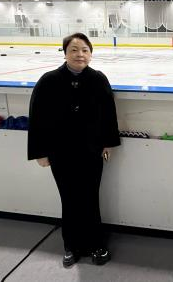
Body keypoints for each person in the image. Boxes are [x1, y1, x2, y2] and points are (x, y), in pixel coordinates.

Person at [28, 33, 120, 268]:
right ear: (65, 53)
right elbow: (37, 117)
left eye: (85, 50)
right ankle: (71, 245)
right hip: (61, 153)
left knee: (90, 197)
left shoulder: (98, 79)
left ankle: (97, 244)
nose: (80, 54)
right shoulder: (48, 81)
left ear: (91, 54)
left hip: (91, 151)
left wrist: (108, 143)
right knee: (68, 198)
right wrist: (40, 152)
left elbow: (109, 114)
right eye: (74, 50)